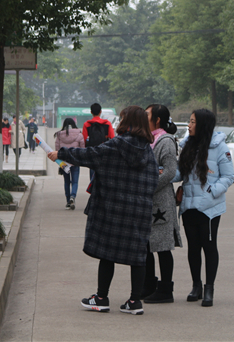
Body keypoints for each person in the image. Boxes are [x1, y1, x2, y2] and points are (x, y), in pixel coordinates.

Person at [48, 106, 159, 315]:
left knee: (107, 253)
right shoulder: (147, 150)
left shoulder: (117, 144)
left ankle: (101, 298)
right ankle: (135, 301)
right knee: (138, 255)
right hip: (138, 210)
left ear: (127, 122)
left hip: (112, 208)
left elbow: (90, 154)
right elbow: (154, 180)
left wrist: (61, 154)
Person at [172, 108, 234, 307]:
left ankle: (209, 288)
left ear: (203, 125)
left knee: (209, 246)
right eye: (189, 121)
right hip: (189, 204)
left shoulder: (219, 147)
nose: (189, 125)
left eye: (192, 122)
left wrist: (211, 191)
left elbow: (228, 176)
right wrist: (164, 173)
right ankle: (196, 286)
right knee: (193, 247)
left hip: (209, 207)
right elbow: (180, 173)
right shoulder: (187, 145)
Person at [142, 104, 183, 304]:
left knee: (163, 247)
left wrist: (147, 186)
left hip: (161, 201)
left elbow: (169, 172)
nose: (143, 118)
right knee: (147, 245)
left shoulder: (165, 141)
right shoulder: (149, 139)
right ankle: (149, 285)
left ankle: (166, 290)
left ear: (157, 120)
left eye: (147, 115)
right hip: (149, 200)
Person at [54, 118, 84, 210]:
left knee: (66, 182)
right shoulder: (79, 134)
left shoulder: (59, 135)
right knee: (75, 181)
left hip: (64, 162)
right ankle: (73, 196)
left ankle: (68, 201)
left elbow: (57, 149)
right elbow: (82, 148)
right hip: (75, 161)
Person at [82, 103, 115, 179]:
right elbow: (112, 138)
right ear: (100, 112)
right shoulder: (107, 123)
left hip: (92, 151)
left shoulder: (86, 124)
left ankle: (93, 185)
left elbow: (84, 139)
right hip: (105, 151)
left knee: (92, 171)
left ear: (91, 112)